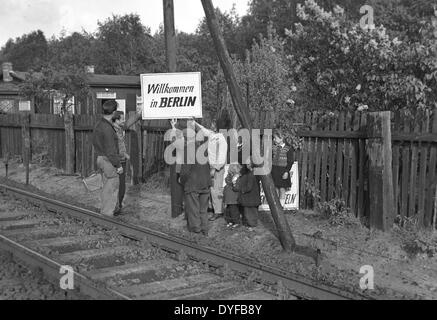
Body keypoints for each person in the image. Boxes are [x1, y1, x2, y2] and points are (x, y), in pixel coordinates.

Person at [91, 100, 123, 217]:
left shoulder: (98, 124)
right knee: (111, 188)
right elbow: (111, 150)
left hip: (100, 158)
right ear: (114, 113)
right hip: (108, 160)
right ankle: (107, 216)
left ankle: (106, 212)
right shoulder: (108, 128)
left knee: (106, 187)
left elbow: (95, 142)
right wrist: (118, 165)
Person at [193, 120, 228, 221]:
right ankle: (212, 208)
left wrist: (215, 168)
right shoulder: (212, 134)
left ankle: (218, 212)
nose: (211, 125)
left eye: (213, 124)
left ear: (217, 127)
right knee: (211, 189)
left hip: (217, 168)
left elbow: (222, 156)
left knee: (216, 190)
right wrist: (194, 121)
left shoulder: (221, 139)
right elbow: (203, 130)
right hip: (211, 166)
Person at [178, 136, 212, 236]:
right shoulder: (202, 149)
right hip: (205, 183)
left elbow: (185, 171)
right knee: (203, 209)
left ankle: (196, 231)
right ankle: (205, 230)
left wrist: (181, 179)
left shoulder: (188, 150)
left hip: (193, 184)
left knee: (193, 209)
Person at [112, 110, 142, 213]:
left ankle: (118, 205)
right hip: (115, 161)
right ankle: (114, 206)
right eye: (122, 118)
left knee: (121, 185)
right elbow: (115, 146)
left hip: (122, 160)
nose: (124, 120)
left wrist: (139, 114)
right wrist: (124, 154)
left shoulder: (120, 127)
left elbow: (129, 123)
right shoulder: (111, 131)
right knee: (115, 184)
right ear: (116, 120)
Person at [233, 162, 261, 231]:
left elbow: (249, 187)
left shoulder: (251, 174)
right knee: (250, 211)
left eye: (249, 164)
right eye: (247, 164)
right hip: (251, 197)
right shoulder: (250, 173)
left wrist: (242, 190)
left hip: (250, 197)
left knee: (250, 212)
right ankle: (250, 224)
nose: (247, 165)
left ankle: (252, 225)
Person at [271, 130, 294, 207]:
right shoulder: (273, 148)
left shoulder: (288, 149)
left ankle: (281, 206)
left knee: (282, 189)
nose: (274, 140)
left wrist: (286, 171)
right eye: (273, 138)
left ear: (281, 139)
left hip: (283, 171)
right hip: (274, 170)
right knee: (275, 189)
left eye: (275, 138)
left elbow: (290, 161)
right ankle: (276, 206)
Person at [223, 163, 242, 228]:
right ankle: (230, 221)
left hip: (233, 198)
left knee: (234, 210)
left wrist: (234, 182)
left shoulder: (238, 177)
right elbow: (227, 180)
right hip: (228, 197)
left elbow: (237, 187)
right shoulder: (229, 176)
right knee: (228, 210)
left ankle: (236, 222)